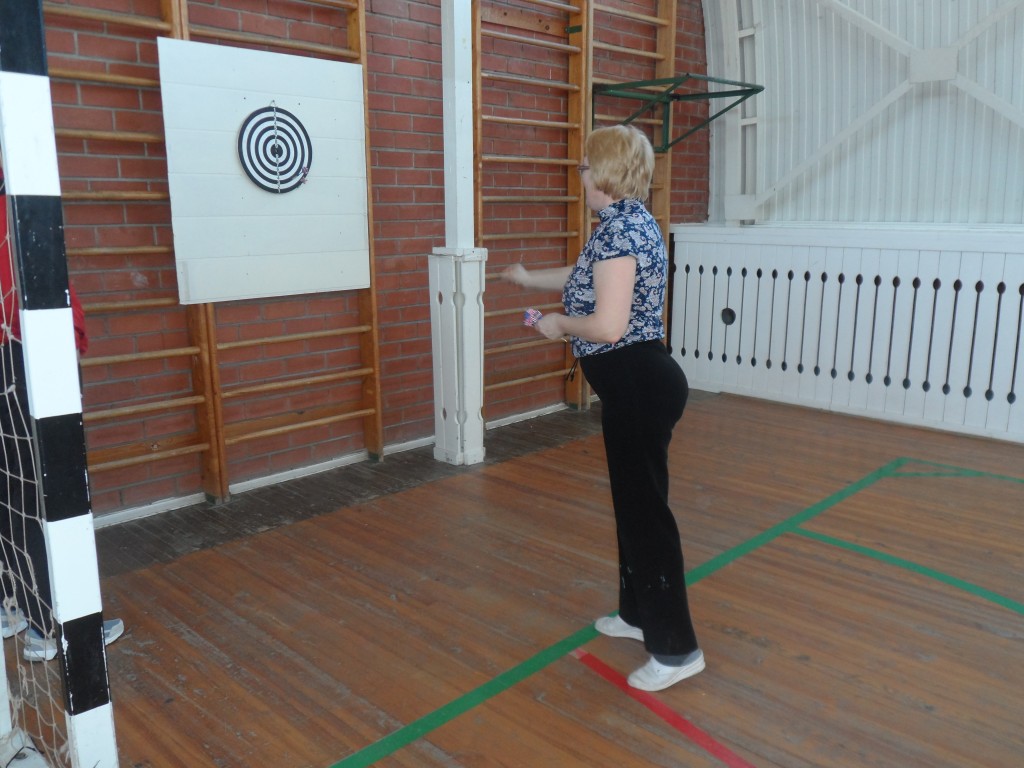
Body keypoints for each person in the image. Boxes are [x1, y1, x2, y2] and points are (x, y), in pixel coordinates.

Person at [502, 124, 703, 692]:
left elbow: (610, 326)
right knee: (632, 506)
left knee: (646, 516)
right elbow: (585, 274)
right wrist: (529, 281)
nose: (581, 174)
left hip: (638, 384)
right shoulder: (623, 223)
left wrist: (559, 324)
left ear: (608, 174)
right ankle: (637, 613)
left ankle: (677, 649)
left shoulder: (621, 230)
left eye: (586, 166)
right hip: (635, 384)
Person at [0, 164, 124, 661]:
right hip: (25, 353)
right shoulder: (16, 199)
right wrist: (67, 342)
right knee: (46, 492)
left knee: (15, 490)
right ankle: (53, 624)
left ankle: (16, 606)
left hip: (21, 352)